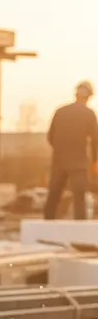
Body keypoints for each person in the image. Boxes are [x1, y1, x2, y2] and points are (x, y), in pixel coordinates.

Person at [43, 81, 98, 220]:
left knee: (54, 195)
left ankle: (47, 224)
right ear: (88, 97)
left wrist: (60, 151)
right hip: (79, 162)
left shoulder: (60, 111)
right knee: (79, 197)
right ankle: (80, 229)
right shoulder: (89, 114)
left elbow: (50, 136)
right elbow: (95, 141)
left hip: (59, 160)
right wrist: (94, 161)